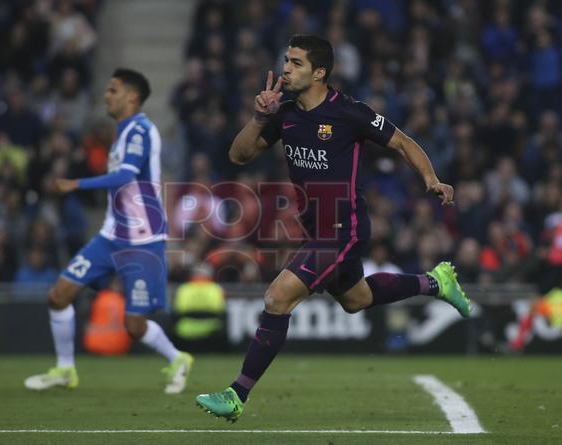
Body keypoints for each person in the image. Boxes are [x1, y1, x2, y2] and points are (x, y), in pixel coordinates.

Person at [195, 35, 470, 421]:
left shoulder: (350, 113)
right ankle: (435, 282)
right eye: (286, 60)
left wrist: (431, 178)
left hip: (344, 228)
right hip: (315, 229)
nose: (286, 68)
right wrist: (259, 117)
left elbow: (403, 142)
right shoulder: (284, 113)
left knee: (277, 298)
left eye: (295, 63)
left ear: (319, 72)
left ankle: (237, 393)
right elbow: (238, 155)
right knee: (356, 300)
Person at [24, 68, 193, 394]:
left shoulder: (140, 131)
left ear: (131, 96)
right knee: (58, 296)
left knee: (133, 326)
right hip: (111, 235)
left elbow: (126, 176)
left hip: (143, 240)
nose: (106, 95)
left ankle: (178, 358)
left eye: (113, 90)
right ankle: (64, 369)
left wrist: (76, 183)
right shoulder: (122, 132)